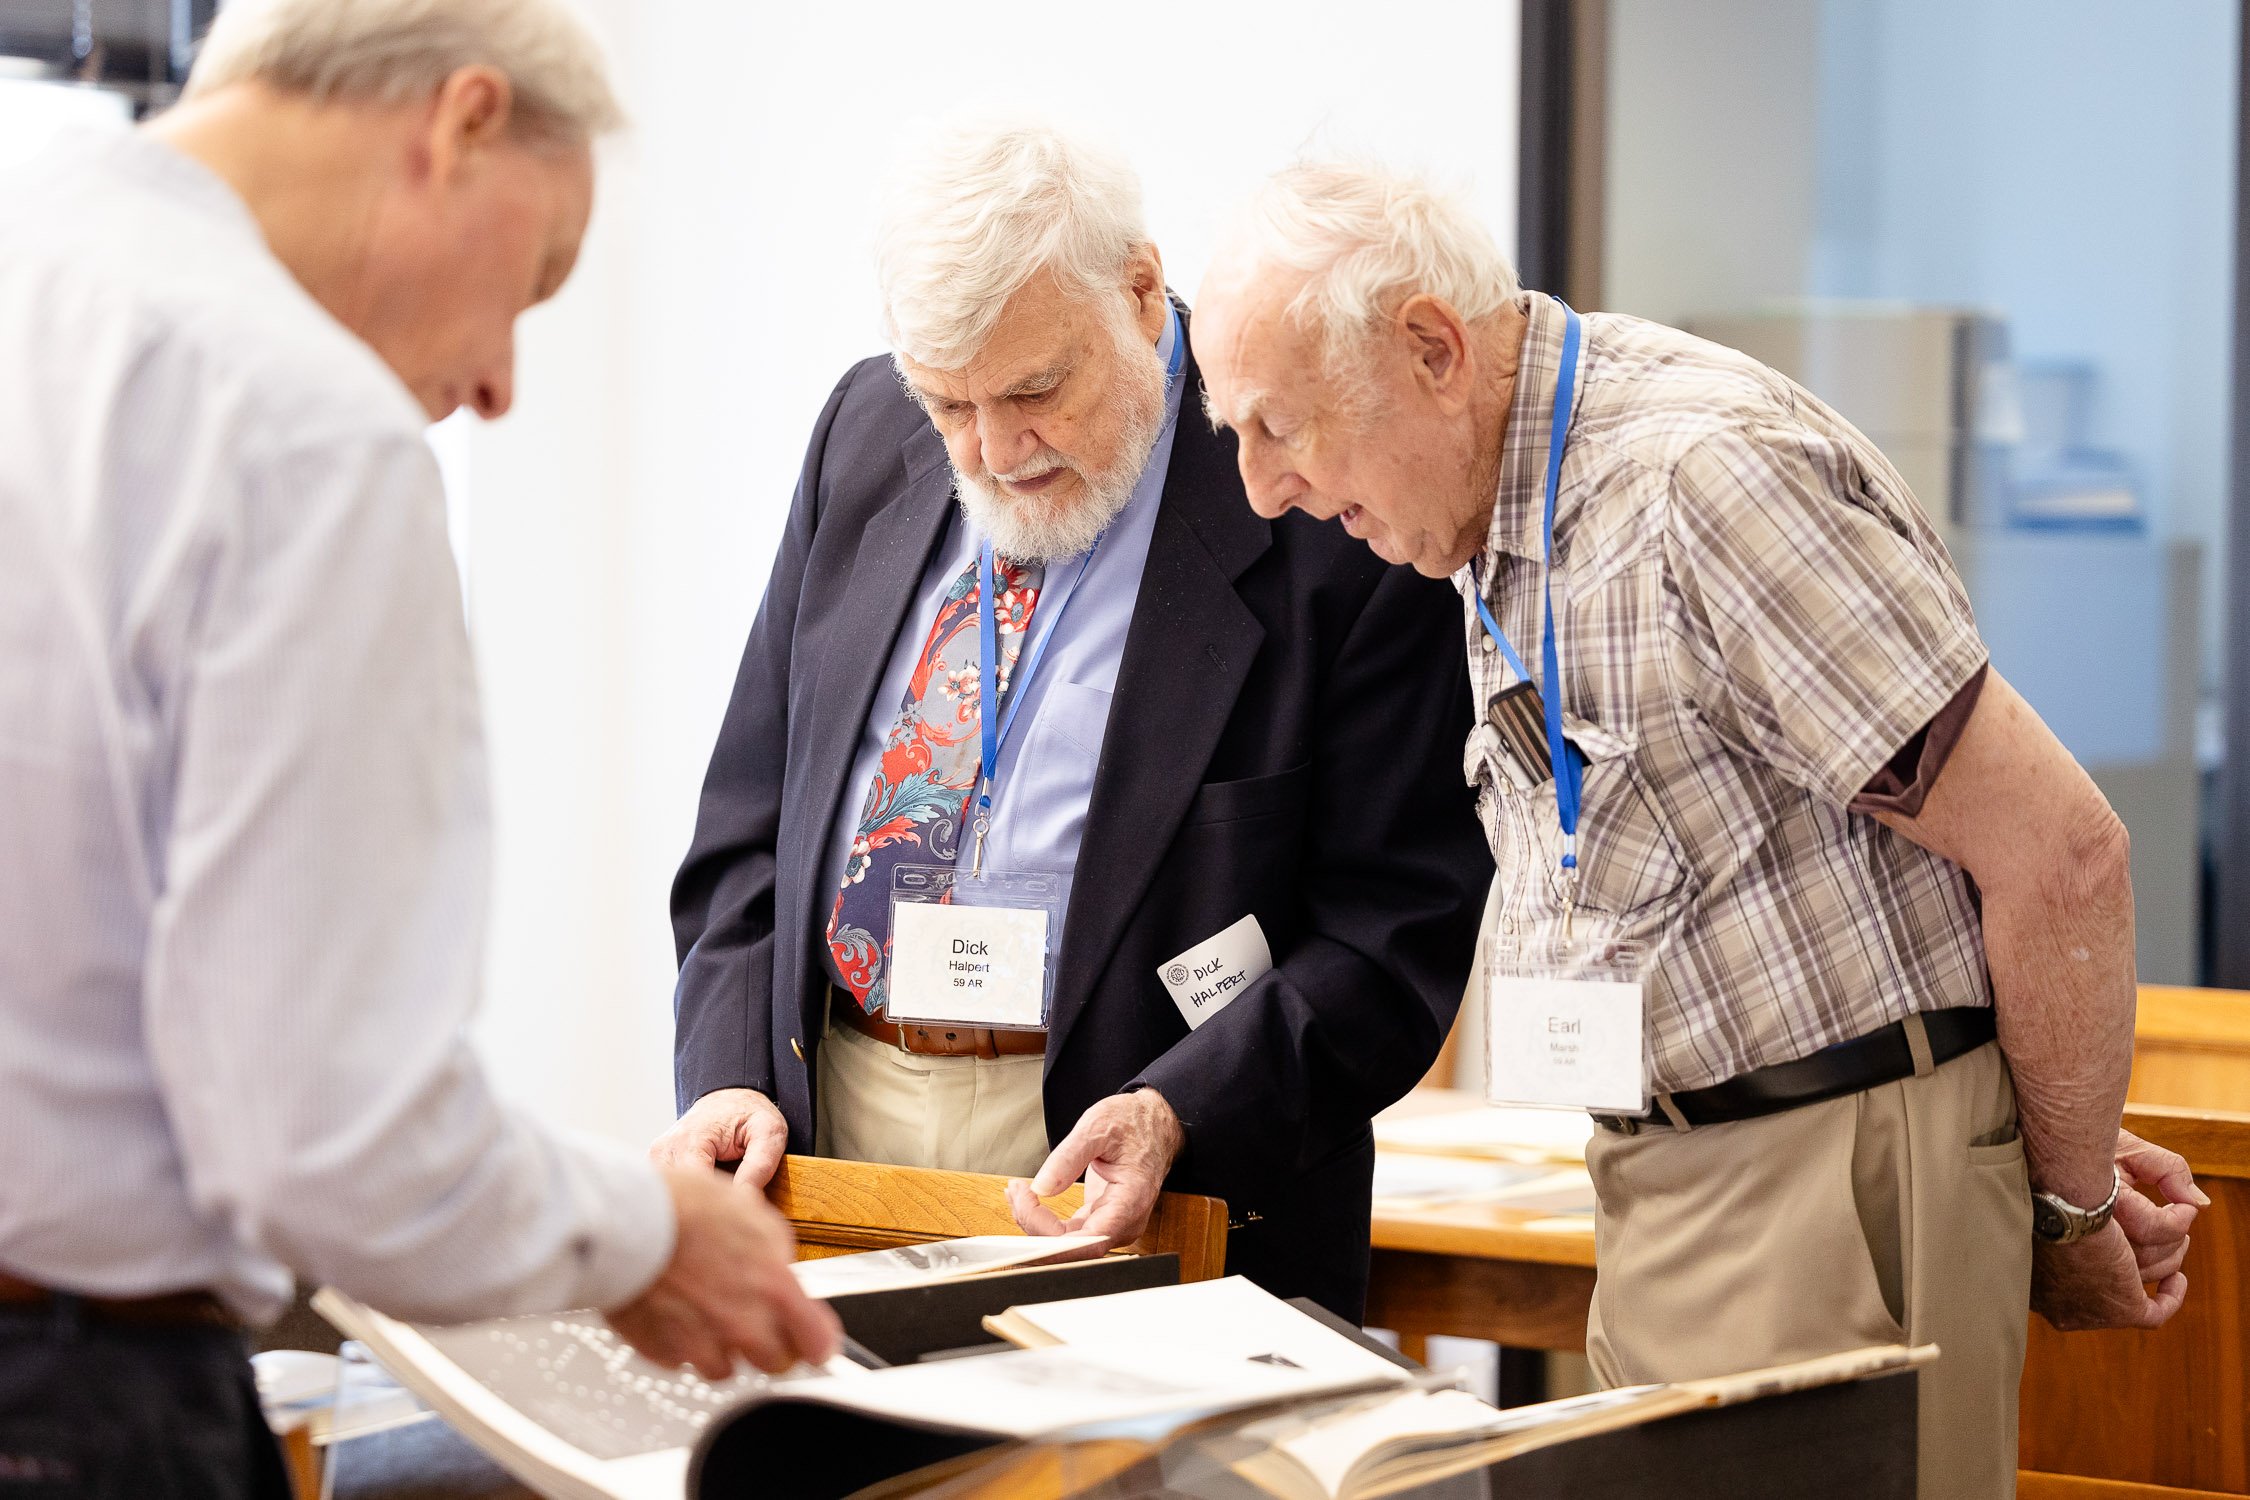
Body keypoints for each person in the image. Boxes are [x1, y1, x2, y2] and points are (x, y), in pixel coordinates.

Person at [1190, 160, 2205, 1496]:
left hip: (1827, 1180)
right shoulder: (1485, 510)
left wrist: (2063, 1200)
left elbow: (2061, 854)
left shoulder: (1696, 484)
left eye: (1283, 428)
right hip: (1669, 1178)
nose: (1264, 489)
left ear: (1430, 349)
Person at [0, 1, 837, 1490]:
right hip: (74, 1401)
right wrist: (645, 1235)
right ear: (459, 124)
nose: (504, 381)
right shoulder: (301, 430)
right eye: (537, 272)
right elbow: (322, 1134)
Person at [650, 121, 1490, 1320]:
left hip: (1143, 1161)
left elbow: (1395, 931)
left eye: (1037, 390)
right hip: (837, 1122)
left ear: (1142, 294)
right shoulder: (863, 431)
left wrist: (1180, 1112)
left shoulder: (1327, 499)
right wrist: (728, 1074)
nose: (993, 451)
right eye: (949, 402)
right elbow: (749, 824)